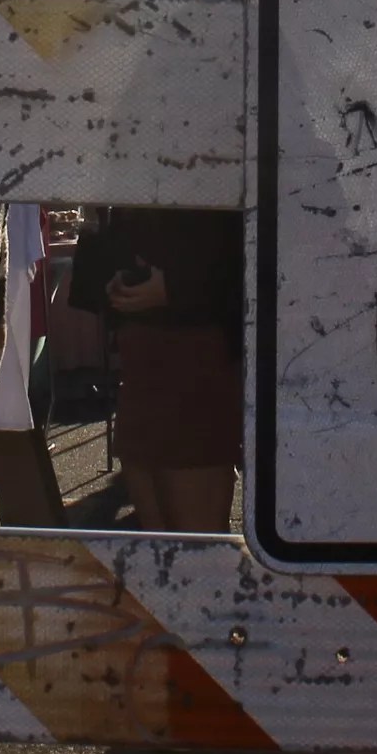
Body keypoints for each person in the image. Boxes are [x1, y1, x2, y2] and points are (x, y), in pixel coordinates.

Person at [69, 206, 241, 532]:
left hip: (196, 352)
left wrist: (177, 287)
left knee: (195, 543)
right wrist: (113, 277)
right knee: (161, 544)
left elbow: (250, 242)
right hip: (143, 355)